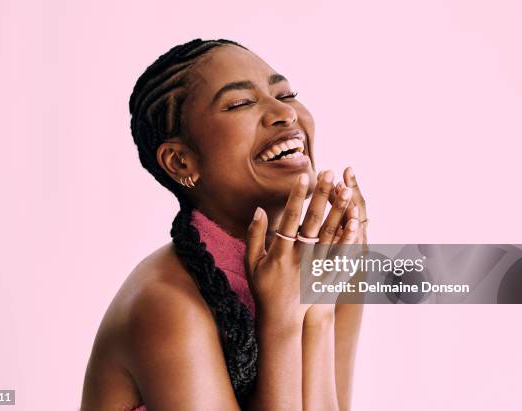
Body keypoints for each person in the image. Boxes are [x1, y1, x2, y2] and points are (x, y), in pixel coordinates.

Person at [81, 38, 369, 411]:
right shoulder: (165, 305)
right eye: (240, 103)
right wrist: (281, 322)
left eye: (286, 93)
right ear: (181, 162)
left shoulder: (324, 260)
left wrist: (319, 311)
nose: (284, 113)